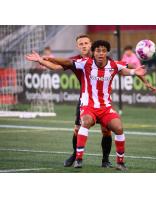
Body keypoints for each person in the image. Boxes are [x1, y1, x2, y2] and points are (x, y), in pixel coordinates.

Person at [26, 40, 146, 171]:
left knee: (117, 128)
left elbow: (128, 71)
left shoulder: (113, 64)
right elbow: (65, 63)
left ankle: (118, 162)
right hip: (87, 104)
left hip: (105, 107)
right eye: (98, 51)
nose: (101, 53)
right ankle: (78, 158)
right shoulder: (84, 63)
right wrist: (45, 59)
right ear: (93, 52)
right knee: (84, 124)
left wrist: (137, 74)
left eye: (103, 51)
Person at [28, 35, 113, 168]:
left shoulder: (101, 56)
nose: (84, 45)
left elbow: (117, 68)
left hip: (103, 101)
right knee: (77, 129)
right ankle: (75, 155)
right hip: (85, 99)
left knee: (106, 130)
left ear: (91, 44)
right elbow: (55, 67)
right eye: (81, 44)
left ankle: (105, 160)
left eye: (86, 43)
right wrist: (40, 60)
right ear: (77, 46)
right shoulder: (76, 60)